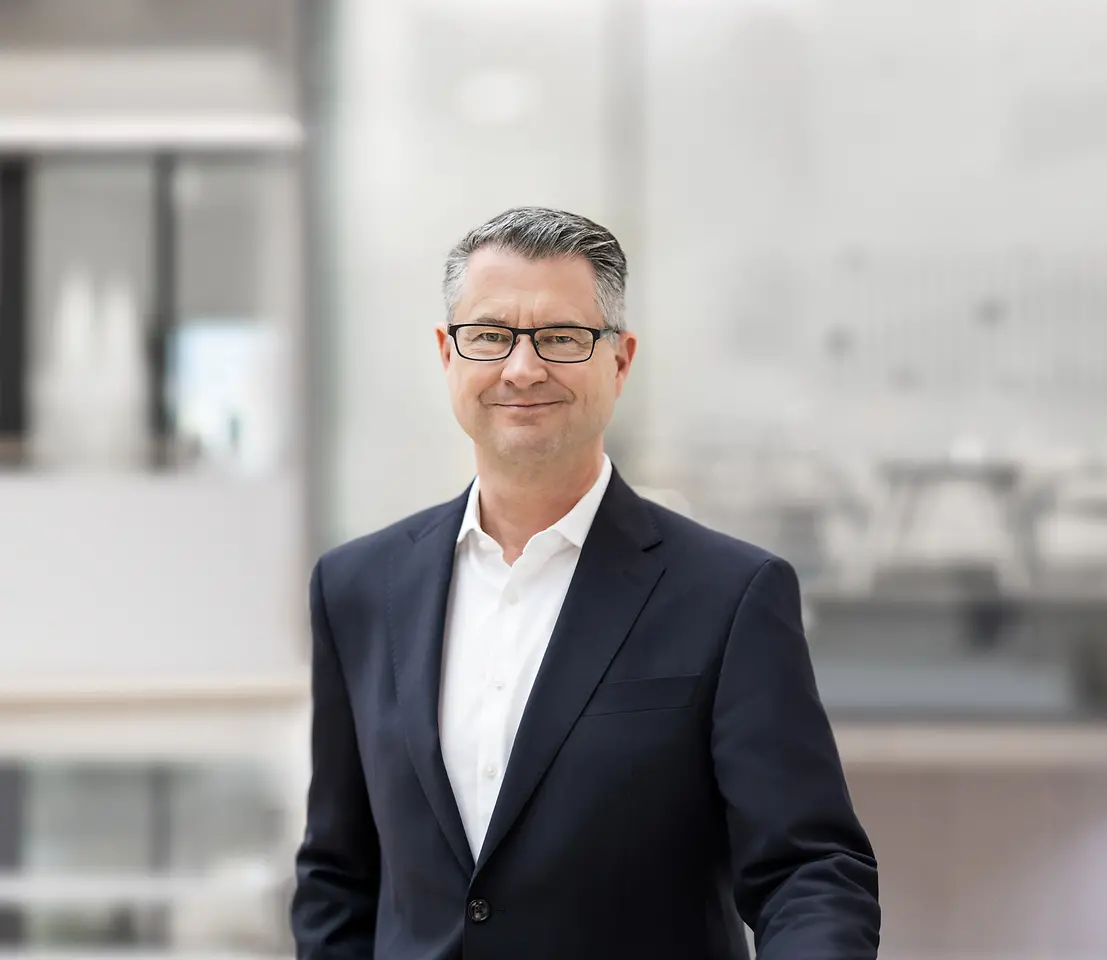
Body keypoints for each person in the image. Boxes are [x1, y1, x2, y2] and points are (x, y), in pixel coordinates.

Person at [290, 207, 880, 960]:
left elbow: (808, 871)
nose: (522, 368)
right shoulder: (357, 589)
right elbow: (339, 875)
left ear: (620, 361)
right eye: (489, 335)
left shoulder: (730, 596)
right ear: (447, 354)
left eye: (562, 338)